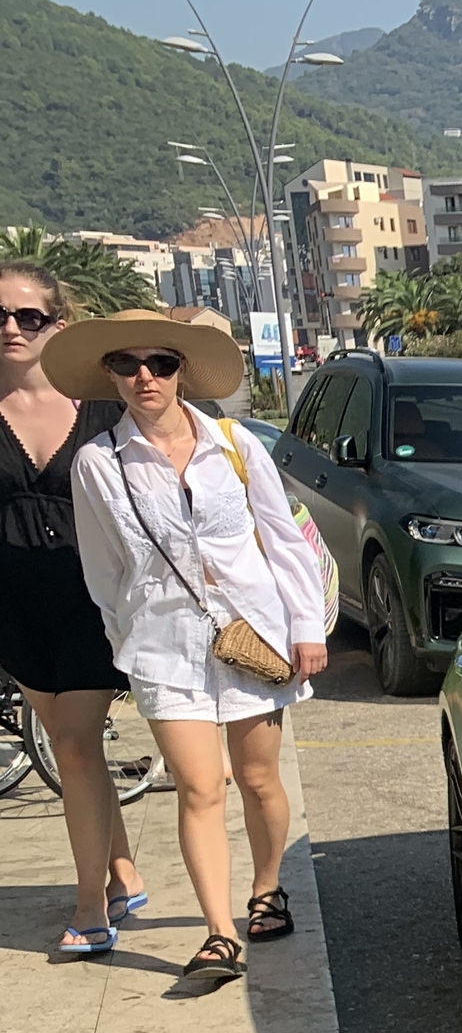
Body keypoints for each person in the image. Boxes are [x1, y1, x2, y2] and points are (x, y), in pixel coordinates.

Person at [56, 310, 329, 985]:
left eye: (160, 363)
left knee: (260, 778)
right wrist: (132, 640)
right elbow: (103, 570)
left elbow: (282, 540)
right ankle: (218, 933)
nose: (144, 377)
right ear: (109, 376)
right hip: (163, 647)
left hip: (254, 634)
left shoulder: (234, 444)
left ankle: (267, 887)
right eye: (126, 364)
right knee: (200, 787)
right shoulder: (99, 463)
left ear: (183, 371)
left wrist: (305, 629)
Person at [0, 262, 148, 955]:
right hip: (12, 606)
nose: (10, 328)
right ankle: (122, 870)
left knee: (73, 745)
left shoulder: (99, 408)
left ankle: (92, 908)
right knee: (72, 745)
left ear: (56, 326)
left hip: (90, 600)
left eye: (27, 316)